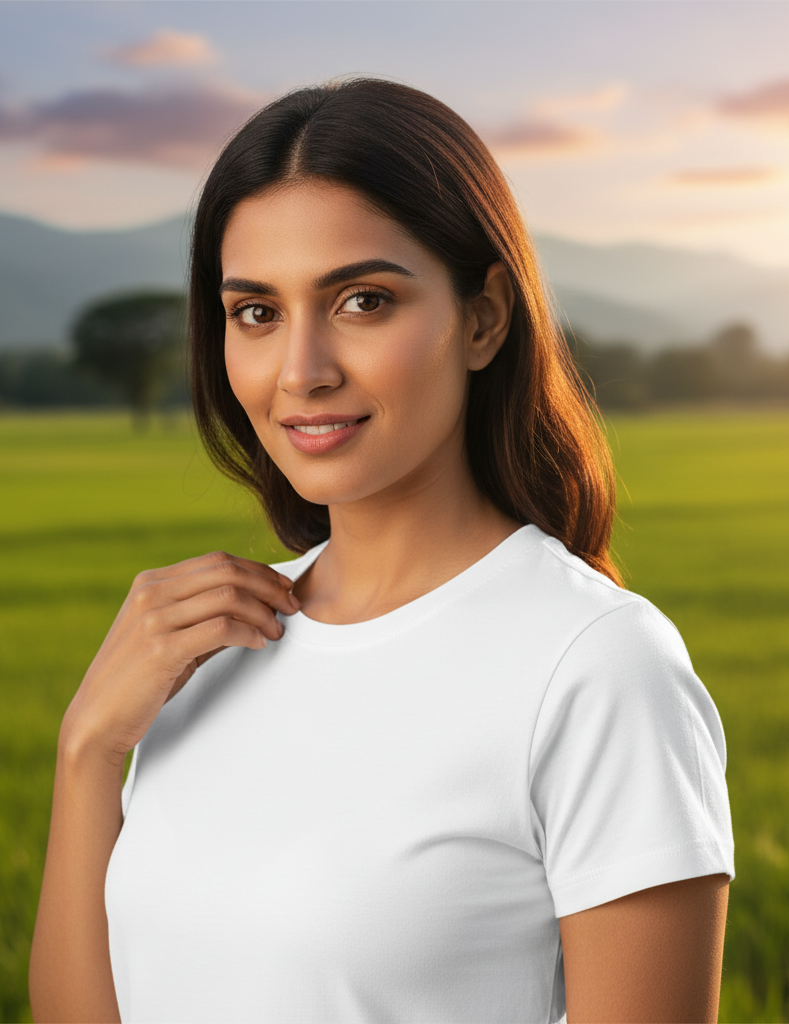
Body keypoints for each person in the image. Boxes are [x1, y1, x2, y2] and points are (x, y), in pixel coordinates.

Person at [29, 78, 734, 1024]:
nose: (302, 371)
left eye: (362, 300)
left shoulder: (595, 664)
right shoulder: (199, 651)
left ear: (483, 317)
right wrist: (88, 751)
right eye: (257, 312)